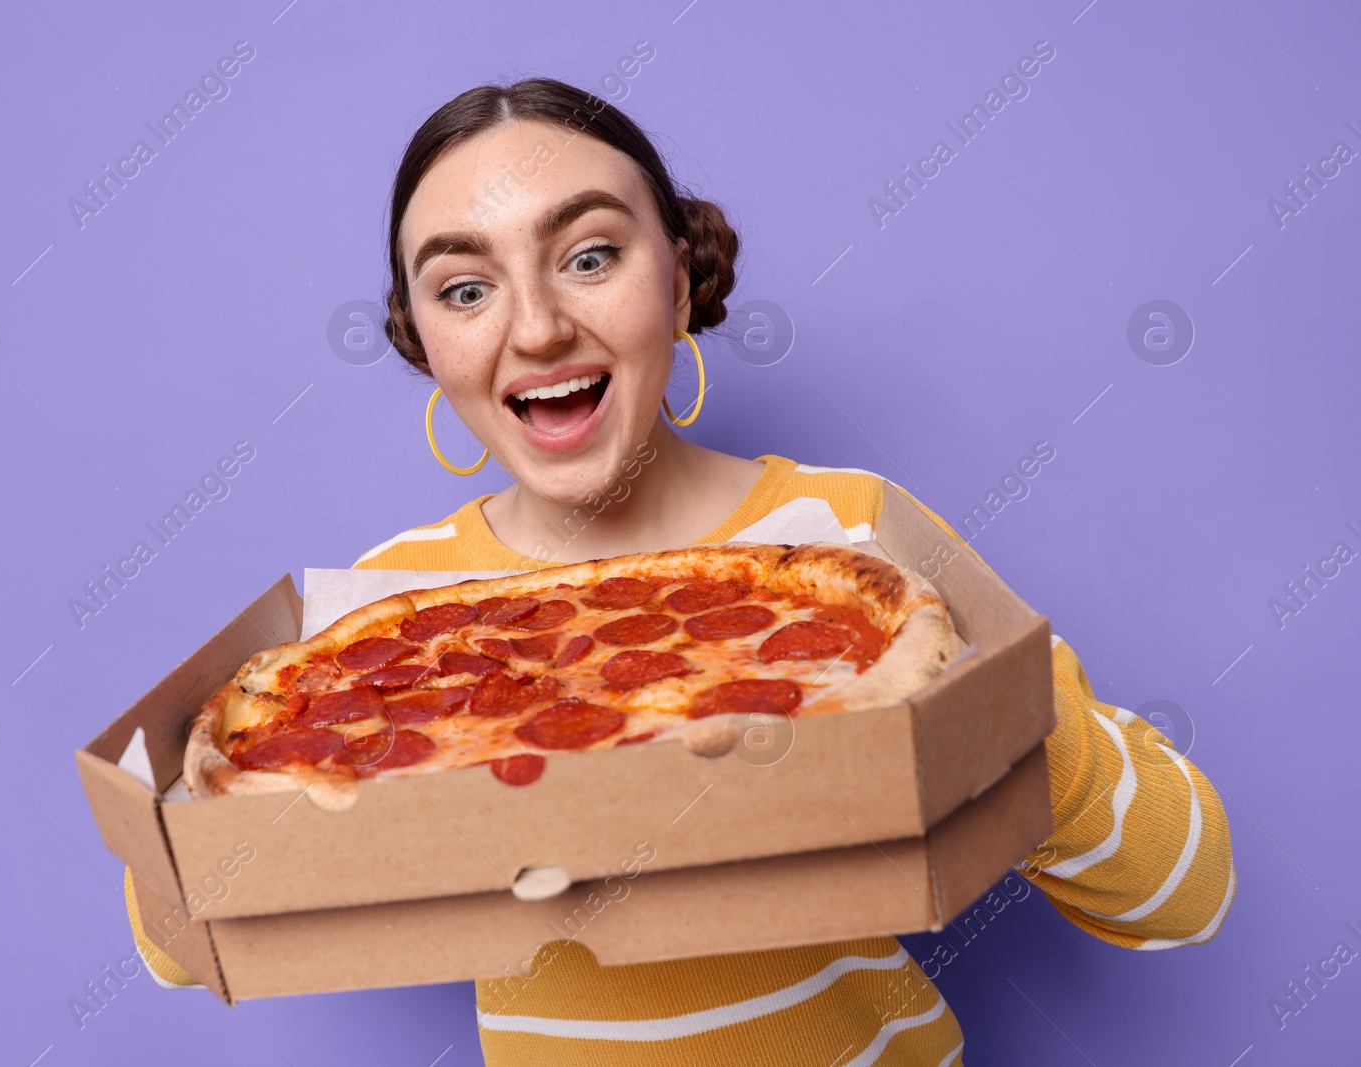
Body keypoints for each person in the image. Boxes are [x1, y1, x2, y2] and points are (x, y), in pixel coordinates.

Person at [125, 77, 1235, 1065]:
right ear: (424, 341)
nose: (540, 327)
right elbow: (182, 940)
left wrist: (989, 705)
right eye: (465, 288)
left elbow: (1183, 893)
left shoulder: (849, 539)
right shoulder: (379, 610)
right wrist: (183, 834)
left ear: (680, 275)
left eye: (590, 256)